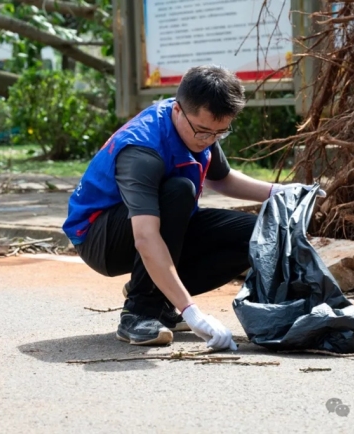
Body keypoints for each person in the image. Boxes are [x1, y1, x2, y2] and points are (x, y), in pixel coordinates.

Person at [63, 65, 309, 350]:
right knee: (179, 191)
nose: (208, 140)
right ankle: (139, 313)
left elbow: (222, 179)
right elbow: (145, 237)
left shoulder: (198, 127)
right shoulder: (142, 152)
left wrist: (280, 192)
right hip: (101, 238)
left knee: (258, 236)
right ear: (178, 111)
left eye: (219, 133)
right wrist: (192, 312)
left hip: (159, 224)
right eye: (203, 132)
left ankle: (161, 300)